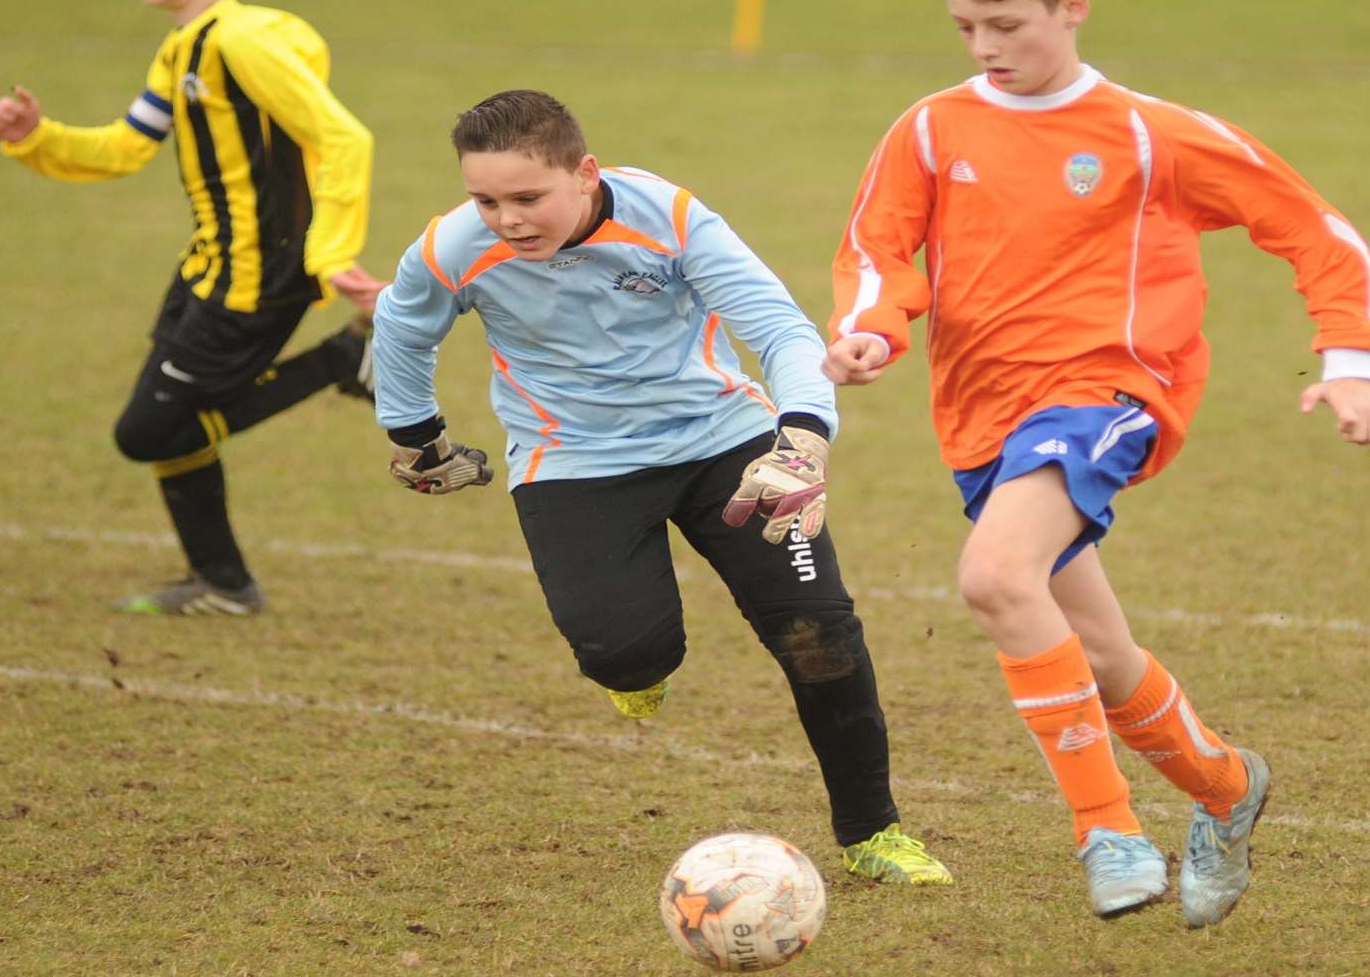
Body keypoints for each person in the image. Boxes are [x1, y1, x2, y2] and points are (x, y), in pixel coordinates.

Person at [824, 0, 1370, 925]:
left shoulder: (1150, 132)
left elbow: (1311, 228)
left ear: (1071, 8)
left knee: (996, 577)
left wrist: (1350, 359)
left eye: (1006, 24)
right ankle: (1227, 787)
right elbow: (880, 249)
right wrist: (872, 327)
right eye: (967, 29)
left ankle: (1108, 832)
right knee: (1092, 649)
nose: (986, 49)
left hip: (1110, 391)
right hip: (982, 417)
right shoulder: (930, 127)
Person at [369, 89, 954, 885]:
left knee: (819, 635)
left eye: (528, 197)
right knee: (626, 652)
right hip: (572, 462)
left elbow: (777, 328)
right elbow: (402, 327)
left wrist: (804, 438)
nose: (506, 219)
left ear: (584, 173)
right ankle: (637, 675)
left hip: (727, 445)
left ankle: (873, 832)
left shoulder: (669, 216)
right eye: (486, 200)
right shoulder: (451, 247)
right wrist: (418, 437)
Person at [0, 0, 383, 616]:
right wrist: (36, 136)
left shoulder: (239, 45)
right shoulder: (184, 47)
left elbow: (345, 138)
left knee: (145, 431)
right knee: (171, 426)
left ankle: (342, 361)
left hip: (256, 282)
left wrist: (331, 252)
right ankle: (225, 584)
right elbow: (125, 146)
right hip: (206, 269)